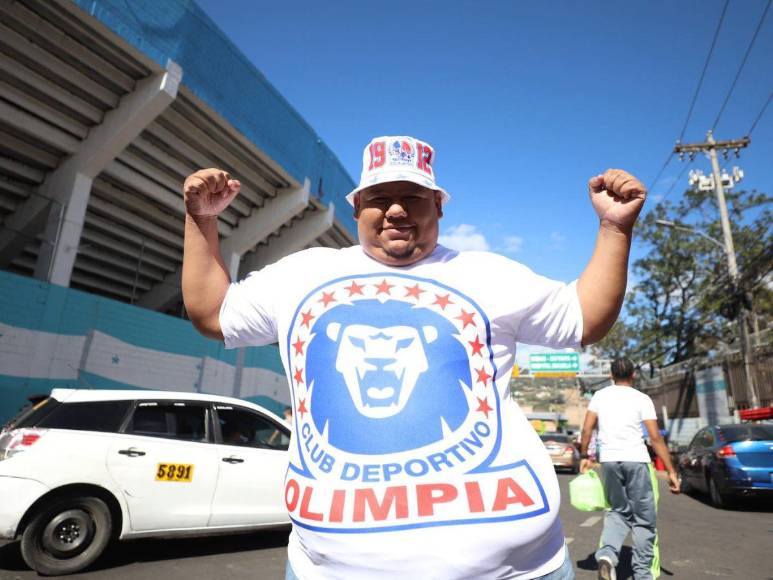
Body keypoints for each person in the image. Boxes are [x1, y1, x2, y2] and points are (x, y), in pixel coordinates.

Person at [182, 135, 647, 579]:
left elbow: (586, 318)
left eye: (414, 196)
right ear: (358, 207)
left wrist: (614, 227)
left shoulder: (487, 274)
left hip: (517, 569)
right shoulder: (302, 275)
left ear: (439, 206)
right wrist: (201, 220)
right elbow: (212, 313)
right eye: (380, 197)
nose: (397, 210)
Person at [579, 358, 680, 580]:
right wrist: (671, 471)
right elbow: (655, 437)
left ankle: (606, 556)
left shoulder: (600, 396)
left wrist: (585, 455)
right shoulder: (642, 398)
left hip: (610, 461)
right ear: (633, 375)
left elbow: (587, 430)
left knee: (617, 511)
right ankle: (642, 573)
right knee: (643, 519)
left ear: (611, 375)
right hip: (636, 460)